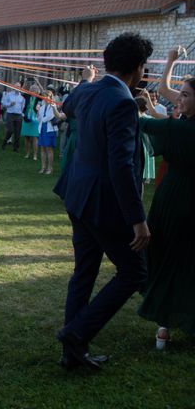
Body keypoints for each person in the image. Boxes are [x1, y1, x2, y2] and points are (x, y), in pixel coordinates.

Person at [53, 33, 153, 370]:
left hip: (78, 196)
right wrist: (138, 219)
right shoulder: (122, 103)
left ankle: (72, 353)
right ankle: (76, 334)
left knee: (84, 272)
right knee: (134, 272)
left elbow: (68, 105)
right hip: (103, 203)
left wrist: (87, 82)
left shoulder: (90, 91)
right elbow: (122, 165)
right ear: (138, 68)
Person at [137, 47, 195, 349]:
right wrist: (171, 62)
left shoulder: (180, 129)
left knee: (170, 255)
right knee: (182, 258)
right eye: (182, 94)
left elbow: (147, 124)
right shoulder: (180, 124)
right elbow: (163, 91)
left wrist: (124, 109)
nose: (180, 98)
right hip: (177, 194)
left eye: (186, 95)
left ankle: (163, 326)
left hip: (178, 199)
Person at [37, 88, 64, 175]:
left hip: (49, 130)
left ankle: (50, 168)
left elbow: (48, 117)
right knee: (42, 148)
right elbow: (39, 119)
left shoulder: (53, 106)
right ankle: (43, 167)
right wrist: (38, 112)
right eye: (44, 97)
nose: (45, 98)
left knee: (49, 149)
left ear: (50, 97)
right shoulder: (41, 107)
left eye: (47, 97)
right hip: (42, 129)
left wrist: (41, 118)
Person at [1, 83, 25, 152]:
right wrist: (9, 104)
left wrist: (22, 114)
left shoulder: (21, 97)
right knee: (10, 130)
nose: (18, 88)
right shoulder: (9, 94)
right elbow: (3, 103)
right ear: (14, 87)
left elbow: (22, 107)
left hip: (18, 115)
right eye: (17, 86)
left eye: (19, 87)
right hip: (10, 114)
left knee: (18, 132)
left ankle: (16, 148)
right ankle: (5, 142)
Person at [21, 82, 42, 160]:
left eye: (35, 89)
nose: (33, 89)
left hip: (35, 118)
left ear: (37, 90)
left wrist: (38, 83)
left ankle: (35, 155)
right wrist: (25, 81)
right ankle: (27, 153)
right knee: (26, 137)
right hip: (26, 116)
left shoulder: (39, 97)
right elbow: (21, 91)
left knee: (34, 137)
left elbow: (43, 93)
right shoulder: (27, 96)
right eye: (32, 88)